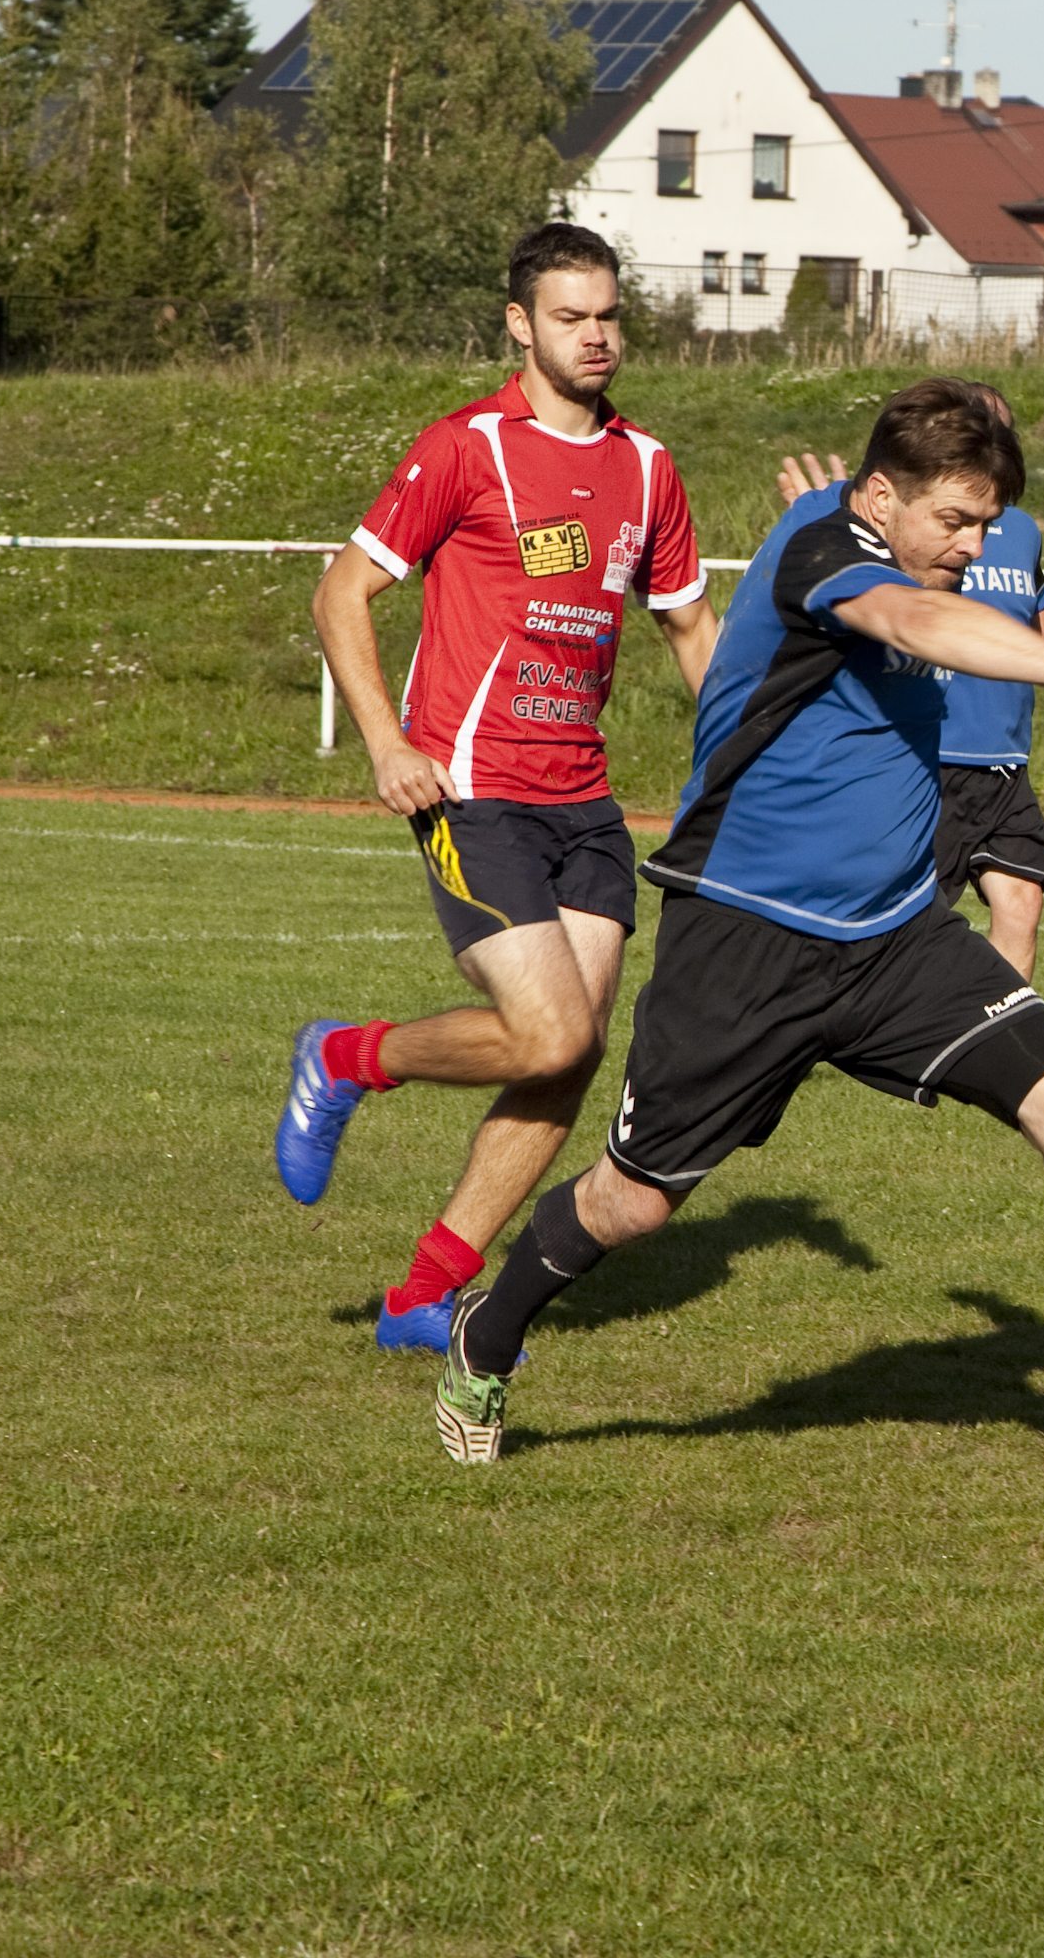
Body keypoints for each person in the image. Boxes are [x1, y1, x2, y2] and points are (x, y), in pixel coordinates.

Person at [430, 378, 1044, 1465]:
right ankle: (485, 1334)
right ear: (878, 495)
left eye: (984, 524)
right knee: (632, 1205)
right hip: (743, 941)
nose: (971, 546)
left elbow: (938, 604)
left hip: (891, 941)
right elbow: (912, 618)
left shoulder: (896, 538)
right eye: (952, 521)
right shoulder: (822, 551)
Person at [280, 223, 716, 1356]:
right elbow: (340, 597)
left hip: (588, 805)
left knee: (567, 1054)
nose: (597, 336)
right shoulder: (465, 448)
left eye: (609, 316)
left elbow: (690, 628)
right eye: (571, 318)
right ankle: (345, 1058)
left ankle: (422, 1298)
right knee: (548, 1030)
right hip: (470, 791)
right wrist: (385, 742)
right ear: (520, 324)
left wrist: (741, 771)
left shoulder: (647, 468)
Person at [777, 406, 1044, 980]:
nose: (972, 544)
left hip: (1005, 761)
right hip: (932, 756)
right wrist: (823, 516)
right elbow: (898, 608)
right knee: (908, 923)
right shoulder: (914, 528)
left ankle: (1001, 1032)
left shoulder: (1019, 531)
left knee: (1021, 902)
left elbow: (1036, 617)